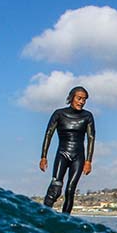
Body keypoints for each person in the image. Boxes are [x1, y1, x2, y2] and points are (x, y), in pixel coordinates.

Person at [39, 86, 96, 214]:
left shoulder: (88, 116)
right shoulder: (59, 114)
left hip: (78, 156)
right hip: (62, 153)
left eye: (84, 99)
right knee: (56, 186)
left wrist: (88, 161)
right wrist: (43, 157)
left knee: (70, 189)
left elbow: (91, 138)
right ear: (71, 98)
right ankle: (43, 214)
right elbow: (48, 134)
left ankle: (65, 219)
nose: (81, 102)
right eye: (79, 98)